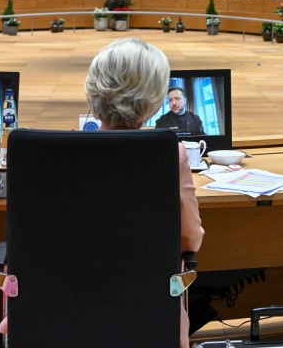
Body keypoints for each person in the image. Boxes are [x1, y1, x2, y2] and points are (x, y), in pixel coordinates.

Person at [75, 38, 204, 348]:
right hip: (152, 314)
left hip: (65, 311)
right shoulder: (171, 155)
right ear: (153, 99)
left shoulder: (53, 155)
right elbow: (191, 240)